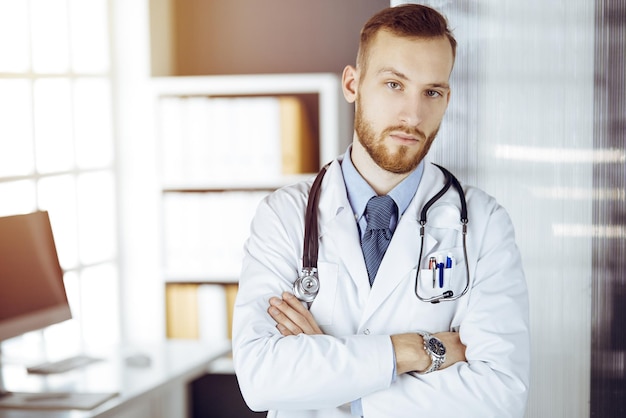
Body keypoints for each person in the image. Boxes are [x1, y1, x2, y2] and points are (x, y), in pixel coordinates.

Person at [232, 4, 530, 417]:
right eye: (394, 84)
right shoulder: (283, 216)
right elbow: (260, 378)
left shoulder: (484, 224)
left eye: (432, 92)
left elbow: (500, 395)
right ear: (352, 84)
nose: (413, 114)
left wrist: (337, 384)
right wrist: (409, 352)